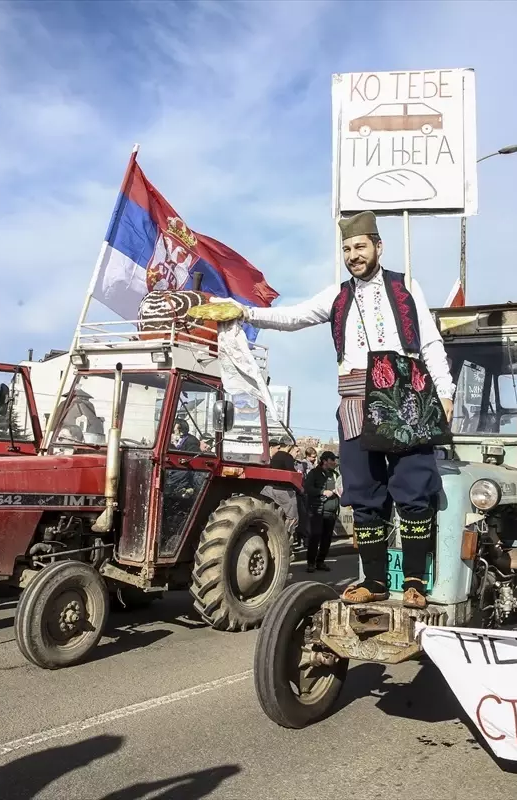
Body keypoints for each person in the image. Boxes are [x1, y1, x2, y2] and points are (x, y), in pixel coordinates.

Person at [190, 211, 455, 609]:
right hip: (354, 399)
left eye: (360, 246)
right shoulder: (337, 295)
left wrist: (446, 393)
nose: (353, 255)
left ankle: (416, 581)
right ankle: (376, 581)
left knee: (413, 490)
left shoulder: (406, 286)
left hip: (405, 399)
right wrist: (243, 312)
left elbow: (431, 343)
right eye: (347, 249)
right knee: (364, 494)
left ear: (378, 247)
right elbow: (292, 317)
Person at [303, 451, 341, 572]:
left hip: (331, 512)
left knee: (327, 539)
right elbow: (307, 488)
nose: (334, 463)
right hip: (318, 511)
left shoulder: (334, 474)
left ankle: (321, 562)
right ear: (325, 461)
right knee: (315, 537)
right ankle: (311, 563)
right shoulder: (314, 473)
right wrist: (322, 492)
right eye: (332, 460)